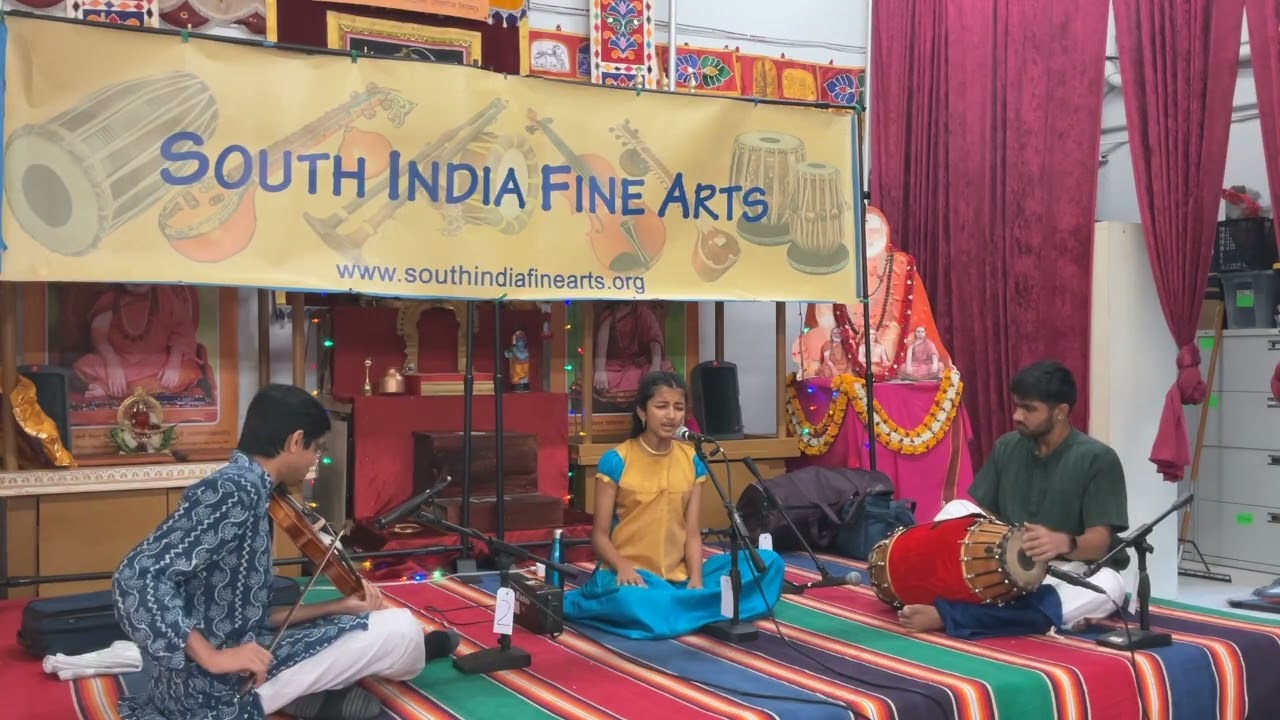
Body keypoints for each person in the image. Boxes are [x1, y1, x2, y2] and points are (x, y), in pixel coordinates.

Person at [112, 384, 460, 720]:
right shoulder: (233, 491)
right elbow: (136, 576)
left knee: (353, 620)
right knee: (400, 629)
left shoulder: (255, 490)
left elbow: (250, 615)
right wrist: (213, 658)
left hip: (236, 654)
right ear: (295, 441)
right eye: (316, 449)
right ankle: (310, 691)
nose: (314, 459)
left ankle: (309, 693)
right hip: (213, 689)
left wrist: (337, 606)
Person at [895, 361, 1129, 639]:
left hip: (1061, 569)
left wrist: (1062, 542)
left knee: (1110, 586)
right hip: (1002, 565)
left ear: (1061, 412)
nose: (1017, 415)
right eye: (1017, 406)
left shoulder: (1098, 459)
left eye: (1029, 409)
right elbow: (983, 515)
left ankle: (953, 615)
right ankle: (1020, 614)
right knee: (956, 509)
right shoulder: (1007, 446)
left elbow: (1099, 543)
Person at [564, 371, 786, 639]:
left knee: (769, 563)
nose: (671, 415)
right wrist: (622, 566)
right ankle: (702, 608)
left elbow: (692, 533)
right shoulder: (617, 460)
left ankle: (687, 605)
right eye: (661, 406)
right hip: (631, 577)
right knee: (635, 602)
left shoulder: (692, 459)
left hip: (679, 577)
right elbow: (599, 537)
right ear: (642, 412)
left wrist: (696, 581)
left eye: (678, 407)